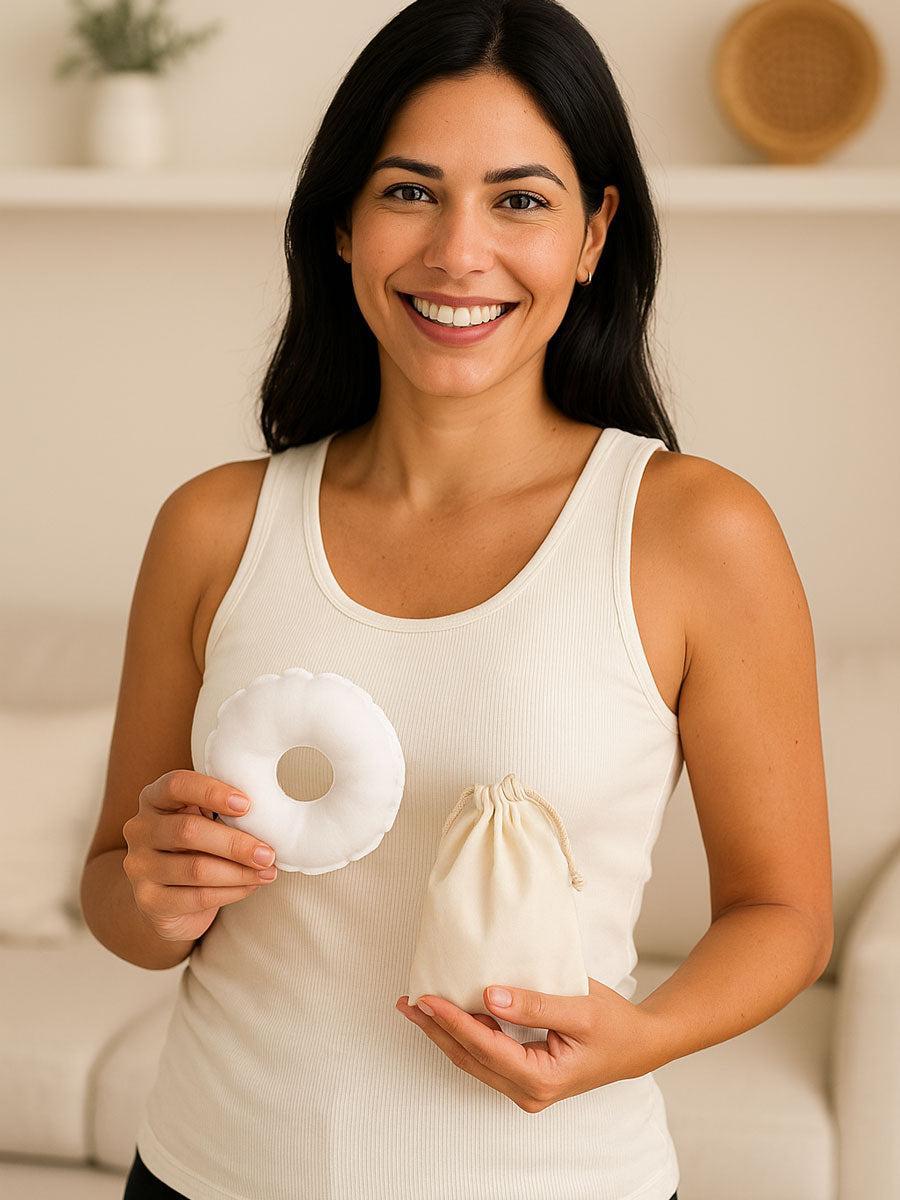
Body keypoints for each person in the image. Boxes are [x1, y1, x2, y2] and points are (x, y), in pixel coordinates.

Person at [80, 0, 832, 1197]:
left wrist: (640, 1037)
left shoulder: (697, 533)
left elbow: (783, 911)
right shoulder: (213, 525)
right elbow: (115, 895)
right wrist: (154, 894)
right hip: (202, 1171)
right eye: (409, 192)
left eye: (520, 200)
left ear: (593, 233)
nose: (458, 253)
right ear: (342, 222)